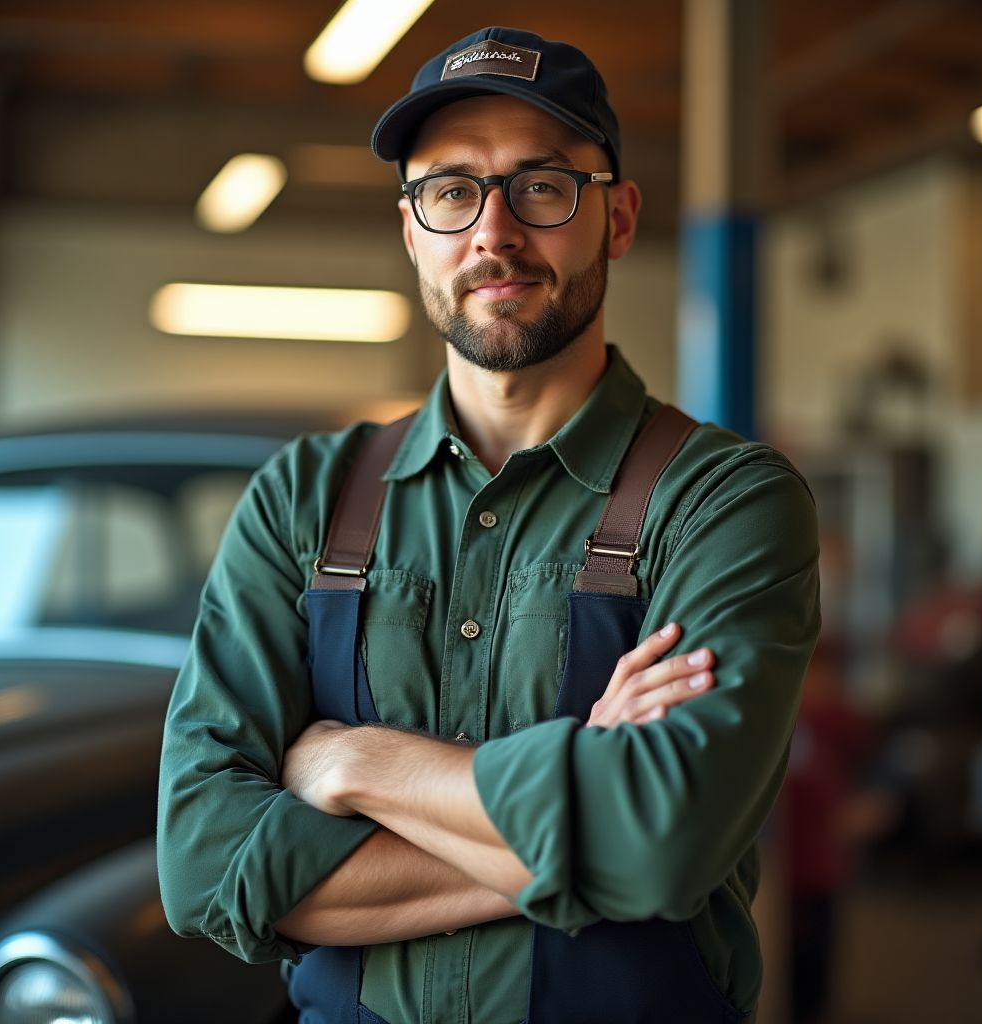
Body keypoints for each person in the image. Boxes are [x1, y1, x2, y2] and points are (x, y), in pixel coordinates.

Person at [157, 26, 821, 1024]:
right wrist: (590, 827)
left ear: (619, 217)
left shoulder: (723, 502)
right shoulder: (303, 498)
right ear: (412, 228)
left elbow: (665, 844)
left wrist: (354, 763)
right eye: (451, 190)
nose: (494, 233)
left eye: (542, 185)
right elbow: (203, 867)